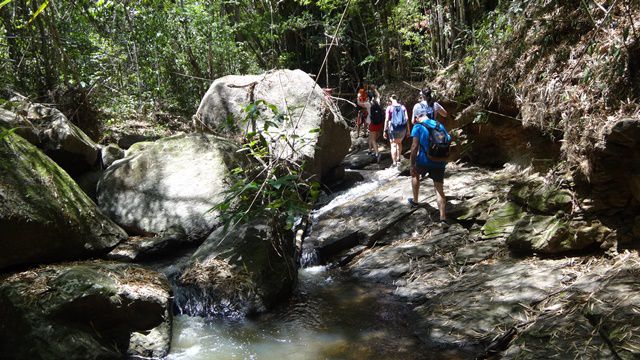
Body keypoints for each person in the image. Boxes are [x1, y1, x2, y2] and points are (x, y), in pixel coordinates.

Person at [408, 89, 451, 226]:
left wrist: (411, 164)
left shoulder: (418, 126)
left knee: (415, 174)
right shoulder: (439, 125)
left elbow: (414, 147)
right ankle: (443, 218)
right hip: (439, 161)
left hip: (424, 160)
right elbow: (448, 138)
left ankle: (415, 201)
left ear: (417, 116)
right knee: (439, 189)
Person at [383, 94, 409, 168]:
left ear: (391, 99)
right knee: (399, 143)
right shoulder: (403, 107)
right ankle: (398, 158)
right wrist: (408, 131)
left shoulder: (389, 108)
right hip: (402, 128)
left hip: (392, 128)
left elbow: (387, 119)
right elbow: (406, 119)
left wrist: (384, 130)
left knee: (393, 144)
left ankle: (394, 162)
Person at [367, 84, 384, 162]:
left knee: (372, 139)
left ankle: (377, 153)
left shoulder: (368, 104)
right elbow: (378, 95)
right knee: (375, 137)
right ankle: (371, 150)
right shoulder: (377, 102)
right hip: (379, 122)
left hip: (372, 123)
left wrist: (359, 96)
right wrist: (375, 89)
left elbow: (358, 103)